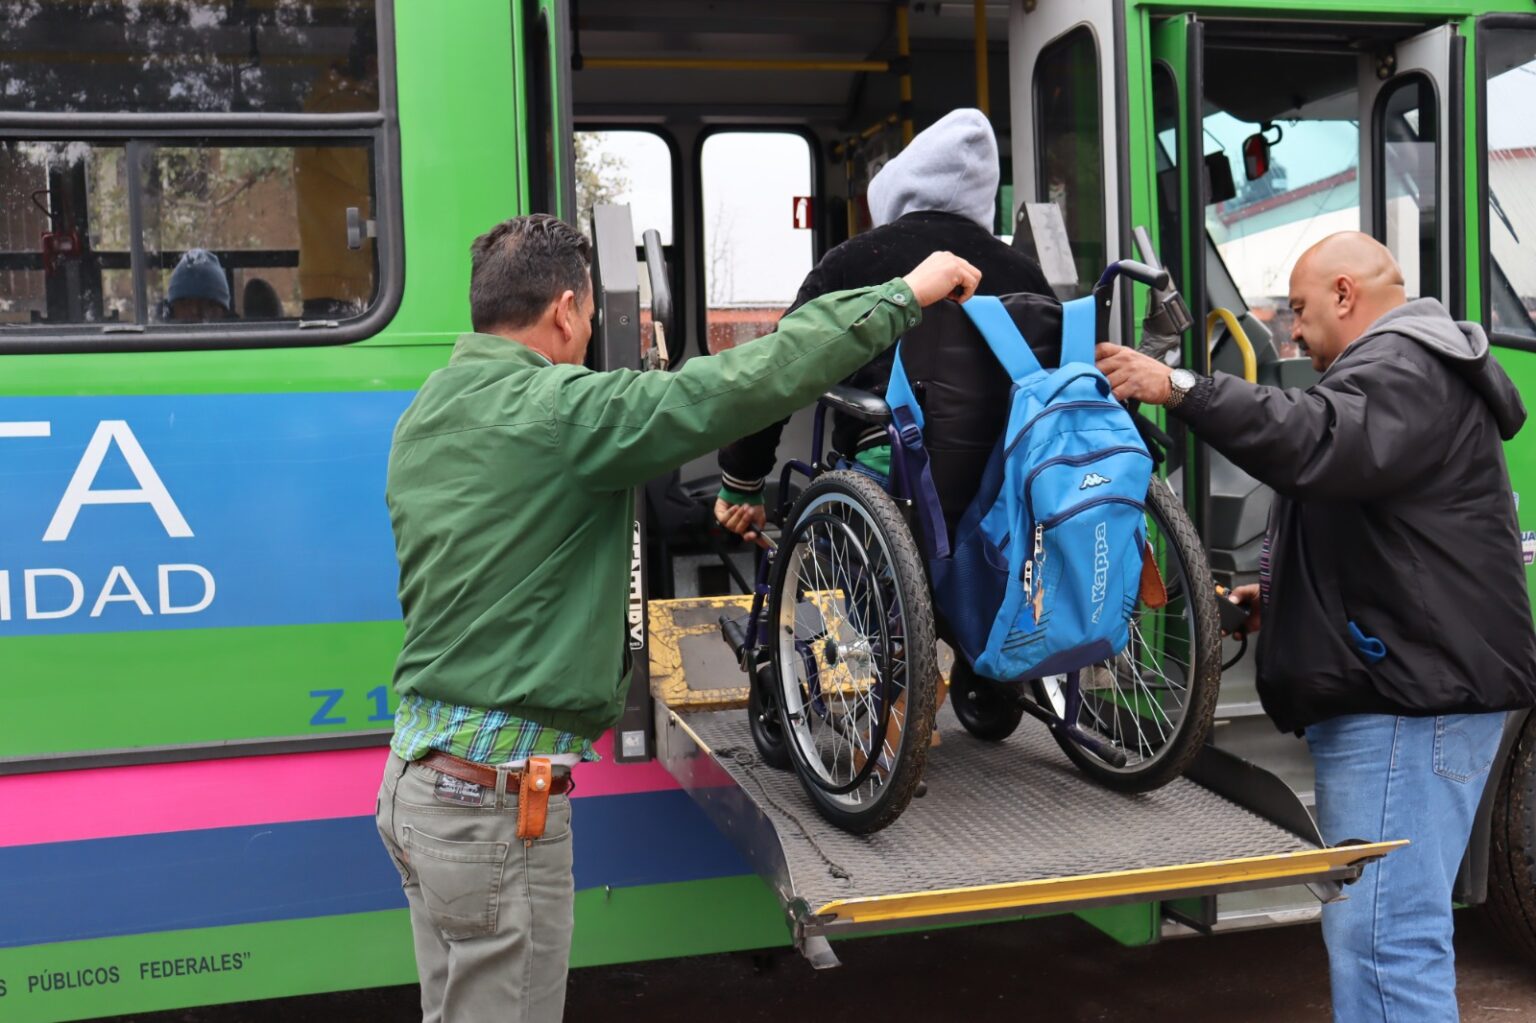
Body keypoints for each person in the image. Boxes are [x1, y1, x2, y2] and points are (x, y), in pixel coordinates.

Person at [375, 212, 980, 1023]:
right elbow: (741, 383)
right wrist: (906, 294)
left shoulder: (428, 413)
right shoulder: (559, 413)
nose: (590, 332)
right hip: (494, 807)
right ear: (565, 310)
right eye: (590, 316)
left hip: (419, 788)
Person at [1096, 231, 1536, 1022]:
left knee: (1386, 940)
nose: (1291, 333)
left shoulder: (1406, 365)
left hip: (1404, 703)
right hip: (1411, 689)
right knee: (1383, 934)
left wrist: (1182, 386)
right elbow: (1383, 530)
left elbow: (1317, 443)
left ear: (1344, 294)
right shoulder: (1411, 369)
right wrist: (1288, 598)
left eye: (1298, 311)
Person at [714, 108, 1053, 542]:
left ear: (899, 185)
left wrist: (743, 481)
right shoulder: (1027, 277)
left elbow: (780, 368)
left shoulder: (851, 262)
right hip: (1003, 481)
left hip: (888, 480)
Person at [163, 248, 230, 322]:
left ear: (224, 312)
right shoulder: (157, 332)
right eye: (186, 303)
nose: (195, 311)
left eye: (208, 304)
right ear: (172, 311)